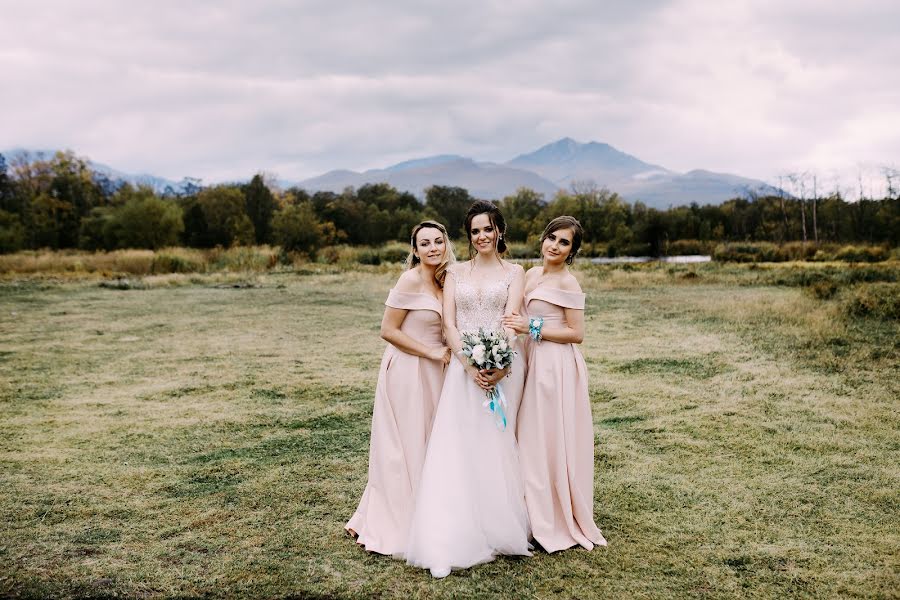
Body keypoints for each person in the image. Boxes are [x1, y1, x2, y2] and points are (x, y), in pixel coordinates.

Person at [405, 201, 532, 578]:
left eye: (489, 229)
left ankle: (496, 525)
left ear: (500, 231)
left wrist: (498, 363)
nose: (482, 237)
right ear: (469, 235)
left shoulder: (515, 272)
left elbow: (511, 321)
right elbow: (449, 324)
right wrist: (468, 363)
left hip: (502, 367)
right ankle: (454, 529)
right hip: (463, 371)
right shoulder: (455, 273)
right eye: (476, 231)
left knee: (495, 441)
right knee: (457, 445)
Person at [346, 220, 455, 555]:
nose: (433, 248)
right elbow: (388, 330)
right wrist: (431, 352)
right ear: (415, 249)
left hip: (437, 372)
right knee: (405, 445)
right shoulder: (409, 280)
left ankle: (433, 514)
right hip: (408, 369)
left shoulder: (447, 280)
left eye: (438, 241)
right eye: (425, 243)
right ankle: (398, 520)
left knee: (429, 441)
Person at [503, 215, 607, 553]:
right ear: (543, 238)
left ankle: (548, 517)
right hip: (530, 359)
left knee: (543, 437)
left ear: (572, 250)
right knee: (526, 436)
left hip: (554, 365)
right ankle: (528, 511)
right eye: (552, 237)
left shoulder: (568, 283)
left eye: (564, 242)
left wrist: (531, 327)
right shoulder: (531, 274)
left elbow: (576, 334)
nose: (555, 245)